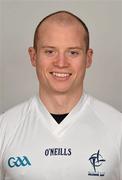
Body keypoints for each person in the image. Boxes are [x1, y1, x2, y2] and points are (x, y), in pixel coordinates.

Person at [0, 10, 122, 180]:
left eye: (73, 52)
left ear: (88, 58)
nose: (61, 63)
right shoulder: (5, 128)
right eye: (50, 51)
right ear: (33, 56)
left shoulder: (117, 128)